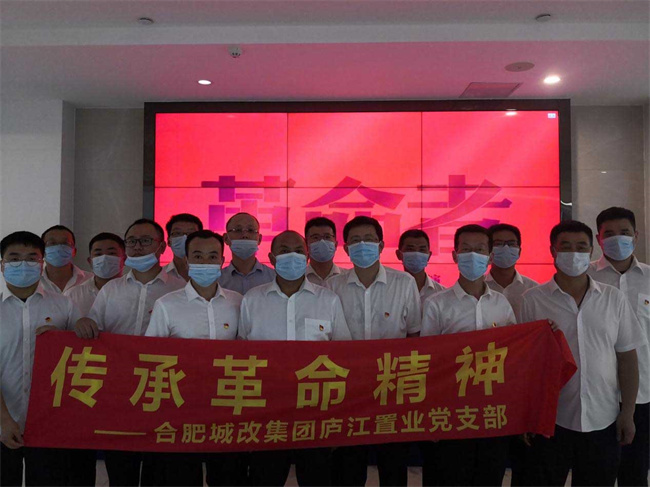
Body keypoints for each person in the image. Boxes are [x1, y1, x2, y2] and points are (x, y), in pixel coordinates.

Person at [520, 220, 644, 487]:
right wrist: (527, 414)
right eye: (565, 247)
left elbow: (626, 358)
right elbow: (525, 366)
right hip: (552, 419)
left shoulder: (613, 298)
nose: (573, 254)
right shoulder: (532, 299)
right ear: (552, 251)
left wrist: (628, 412)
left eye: (580, 247)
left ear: (591, 252)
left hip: (603, 417)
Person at [74, 218, 185, 486]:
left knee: (159, 469)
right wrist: (84, 324)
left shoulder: (179, 288)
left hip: (163, 388)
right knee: (121, 468)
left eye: (145, 241)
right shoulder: (111, 289)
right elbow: (94, 330)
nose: (137, 247)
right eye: (132, 241)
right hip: (119, 390)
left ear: (161, 247)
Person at [239, 230, 351, 486]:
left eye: (299, 251)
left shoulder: (328, 300)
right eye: (284, 251)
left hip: (316, 411)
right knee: (265, 477)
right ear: (271, 258)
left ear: (307, 256)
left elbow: (343, 355)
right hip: (266, 412)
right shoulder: (252, 300)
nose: (292, 256)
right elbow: (242, 354)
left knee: (316, 478)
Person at [327, 216, 420, 487]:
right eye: (355, 241)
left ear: (380, 246)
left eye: (369, 239)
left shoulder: (404, 283)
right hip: (348, 391)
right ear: (346, 249)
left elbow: (414, 336)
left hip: (392, 388)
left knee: (393, 466)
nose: (362, 245)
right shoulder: (332, 286)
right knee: (349, 467)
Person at [420, 224, 516, 487]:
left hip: (493, 411)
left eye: (480, 250)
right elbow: (428, 363)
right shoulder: (437, 304)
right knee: (450, 476)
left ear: (490, 256)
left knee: (489, 476)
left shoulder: (501, 303)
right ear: (455, 255)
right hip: (451, 412)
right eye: (466, 250)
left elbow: (515, 355)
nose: (473, 255)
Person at [147, 230, 242, 486]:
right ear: (187, 261)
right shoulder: (167, 304)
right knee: (182, 475)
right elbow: (151, 357)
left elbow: (246, 351)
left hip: (226, 407)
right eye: (198, 256)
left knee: (226, 476)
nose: (205, 262)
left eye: (212, 256)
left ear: (222, 261)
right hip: (182, 408)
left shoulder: (237, 302)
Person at [0, 231, 86, 486]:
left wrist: (69, 337)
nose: (23, 264)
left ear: (41, 263)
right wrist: (3, 420)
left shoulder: (64, 306)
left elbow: (84, 356)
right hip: (3, 420)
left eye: (31, 258)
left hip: (50, 422)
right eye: (14, 258)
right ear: (2, 265)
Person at [588, 207, 650, 487]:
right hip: (596, 393)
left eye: (624, 233)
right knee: (596, 472)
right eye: (609, 234)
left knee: (635, 473)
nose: (617, 239)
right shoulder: (585, 277)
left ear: (635, 236)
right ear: (598, 240)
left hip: (644, 393)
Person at [485, 223, 538, 322]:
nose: (506, 248)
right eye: (498, 243)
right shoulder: (479, 288)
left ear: (519, 251)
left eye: (511, 244)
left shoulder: (533, 289)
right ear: (488, 250)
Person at [64, 232, 126, 316]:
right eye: (98, 254)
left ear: (124, 259)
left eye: (111, 253)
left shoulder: (134, 292)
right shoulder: (73, 295)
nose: (104, 258)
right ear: (90, 261)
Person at [218, 212, 275, 294]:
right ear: (226, 238)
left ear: (259, 239)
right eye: (238, 230)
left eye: (251, 230)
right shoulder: (217, 280)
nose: (244, 235)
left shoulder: (274, 278)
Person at [396, 229, 444, 304]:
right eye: (410, 249)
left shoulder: (441, 293)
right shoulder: (390, 290)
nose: (416, 254)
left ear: (429, 256)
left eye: (422, 250)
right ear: (399, 254)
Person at [40, 224, 92, 293]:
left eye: (65, 243)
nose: (59, 248)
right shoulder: (33, 283)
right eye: (52, 243)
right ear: (41, 251)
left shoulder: (91, 281)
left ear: (74, 251)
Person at [304, 216, 345, 285]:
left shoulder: (347, 278)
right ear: (306, 244)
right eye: (316, 237)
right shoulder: (298, 279)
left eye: (327, 237)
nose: (322, 241)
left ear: (335, 244)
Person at [164, 213, 203, 281]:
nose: (184, 238)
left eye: (191, 234)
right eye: (177, 233)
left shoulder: (212, 275)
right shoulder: (160, 276)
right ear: (169, 241)